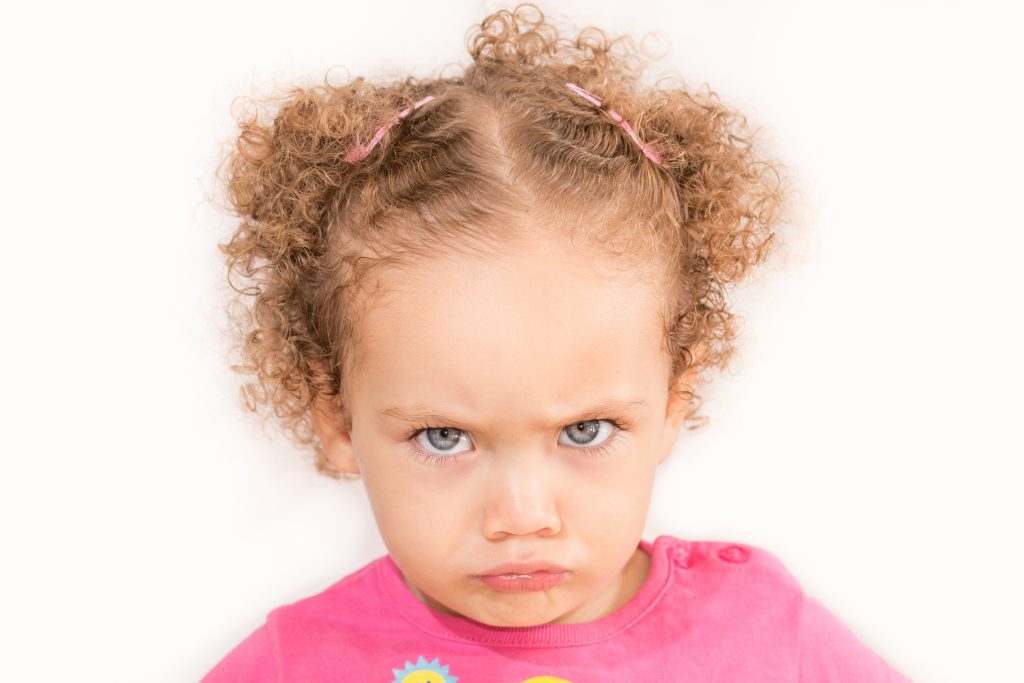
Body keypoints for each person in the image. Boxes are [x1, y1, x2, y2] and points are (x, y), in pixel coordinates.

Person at [202, 3, 910, 680]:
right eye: (444, 437)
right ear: (335, 417)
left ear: (672, 401)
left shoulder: (765, 639)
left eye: (585, 429)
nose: (522, 516)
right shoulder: (297, 665)